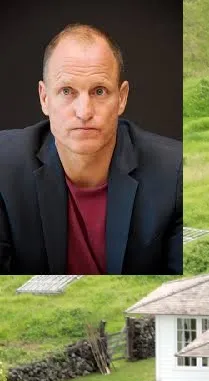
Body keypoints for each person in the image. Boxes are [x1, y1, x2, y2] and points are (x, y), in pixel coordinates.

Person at [0, 23, 182, 275]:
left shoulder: (175, 173)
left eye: (99, 91)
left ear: (122, 98)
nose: (84, 112)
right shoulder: (4, 167)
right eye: (67, 91)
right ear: (44, 98)